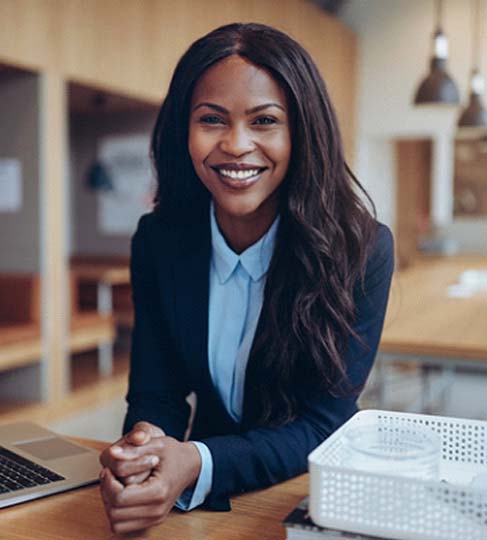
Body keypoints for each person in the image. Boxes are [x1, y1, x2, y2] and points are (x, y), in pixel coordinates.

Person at [99, 22, 394, 534]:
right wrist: (143, 452)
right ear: (183, 132)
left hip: (302, 496)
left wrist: (195, 462)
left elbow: (324, 422)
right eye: (212, 119)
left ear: (300, 133)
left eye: (264, 121)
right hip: (200, 501)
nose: (236, 145)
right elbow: (157, 390)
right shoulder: (159, 240)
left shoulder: (360, 250)